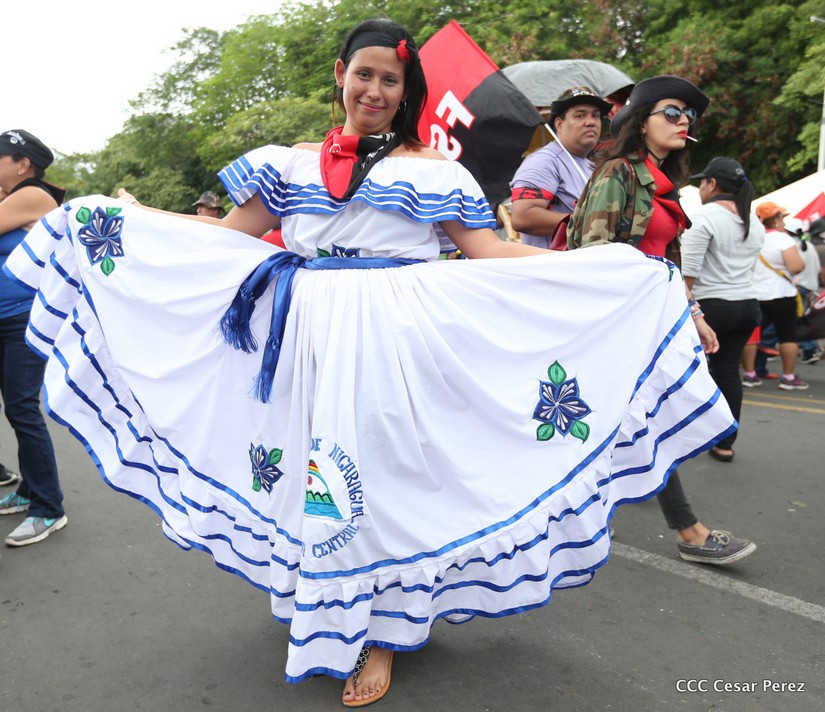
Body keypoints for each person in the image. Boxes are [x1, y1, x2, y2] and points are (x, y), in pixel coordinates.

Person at [5, 24, 734, 707]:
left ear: (406, 89)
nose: (375, 91)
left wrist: (616, 270)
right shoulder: (288, 164)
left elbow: (488, 252)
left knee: (381, 482)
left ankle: (382, 632)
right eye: (364, 75)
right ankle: (327, 604)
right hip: (305, 342)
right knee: (317, 477)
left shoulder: (436, 172)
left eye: (390, 80)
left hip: (395, 342)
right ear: (341, 75)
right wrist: (124, 216)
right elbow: (225, 238)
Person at [568, 76, 756, 566]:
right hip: (616, 324)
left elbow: (667, 262)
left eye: (688, 117)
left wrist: (695, 314)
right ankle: (688, 531)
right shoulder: (619, 173)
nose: (683, 121)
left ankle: (580, 512)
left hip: (650, 321)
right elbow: (593, 258)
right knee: (644, 418)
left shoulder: (664, 185)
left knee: (630, 421)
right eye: (672, 112)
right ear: (641, 121)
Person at [0, 129, 67, 546]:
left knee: (22, 408)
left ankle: (49, 507)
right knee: (16, 407)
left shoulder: (33, 195)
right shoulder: (12, 197)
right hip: (5, 318)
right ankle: (28, 490)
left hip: (22, 319)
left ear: (23, 164)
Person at [680, 157, 765, 462]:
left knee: (686, 372)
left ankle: (682, 439)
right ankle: (725, 443)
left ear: (712, 184)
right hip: (747, 305)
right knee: (728, 372)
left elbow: (687, 276)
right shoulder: (752, 219)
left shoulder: (704, 217)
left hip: (711, 307)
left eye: (703, 182)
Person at [509, 87, 611, 247]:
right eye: (580, 115)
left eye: (596, 116)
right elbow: (522, 217)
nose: (590, 122)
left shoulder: (591, 165)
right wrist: (587, 222)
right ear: (559, 124)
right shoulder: (544, 161)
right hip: (554, 261)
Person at [741, 202, 807, 390]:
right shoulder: (782, 239)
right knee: (787, 336)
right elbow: (796, 266)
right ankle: (788, 376)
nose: (784, 221)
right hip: (782, 294)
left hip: (754, 293)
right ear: (776, 219)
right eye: (782, 217)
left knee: (752, 335)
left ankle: (750, 374)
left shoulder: (751, 237)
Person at [785, 217, 823, 363]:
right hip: (807, 287)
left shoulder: (790, 245)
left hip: (796, 287)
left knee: (792, 320)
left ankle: (810, 349)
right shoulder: (808, 246)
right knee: (798, 319)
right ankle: (809, 349)